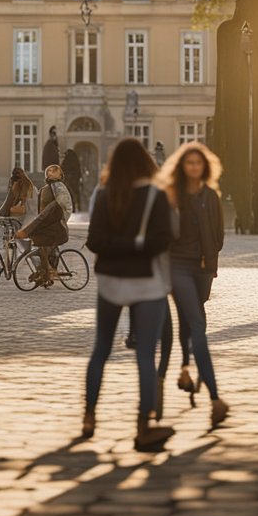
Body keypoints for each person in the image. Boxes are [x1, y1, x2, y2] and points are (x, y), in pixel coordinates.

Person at [82, 138, 175, 451]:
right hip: (147, 282)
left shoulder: (106, 195)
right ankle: (143, 426)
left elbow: (94, 241)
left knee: (101, 350)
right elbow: (162, 241)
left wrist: (116, 247)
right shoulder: (156, 197)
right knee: (145, 356)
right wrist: (137, 245)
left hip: (110, 280)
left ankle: (90, 416)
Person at [158, 142, 230, 428]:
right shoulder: (171, 195)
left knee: (192, 320)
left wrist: (209, 258)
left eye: (198, 163)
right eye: (188, 162)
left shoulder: (210, 196)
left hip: (201, 268)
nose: (193, 167)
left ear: (205, 166)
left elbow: (219, 233)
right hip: (176, 267)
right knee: (197, 325)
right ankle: (215, 398)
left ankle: (186, 369)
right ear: (181, 166)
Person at [17, 164, 72, 285]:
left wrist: (60, 219)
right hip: (46, 222)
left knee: (44, 246)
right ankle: (45, 272)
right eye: (49, 171)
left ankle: (47, 272)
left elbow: (62, 205)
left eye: (54, 171)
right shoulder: (44, 189)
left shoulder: (59, 186)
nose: (51, 173)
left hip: (55, 222)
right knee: (39, 246)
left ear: (60, 175)